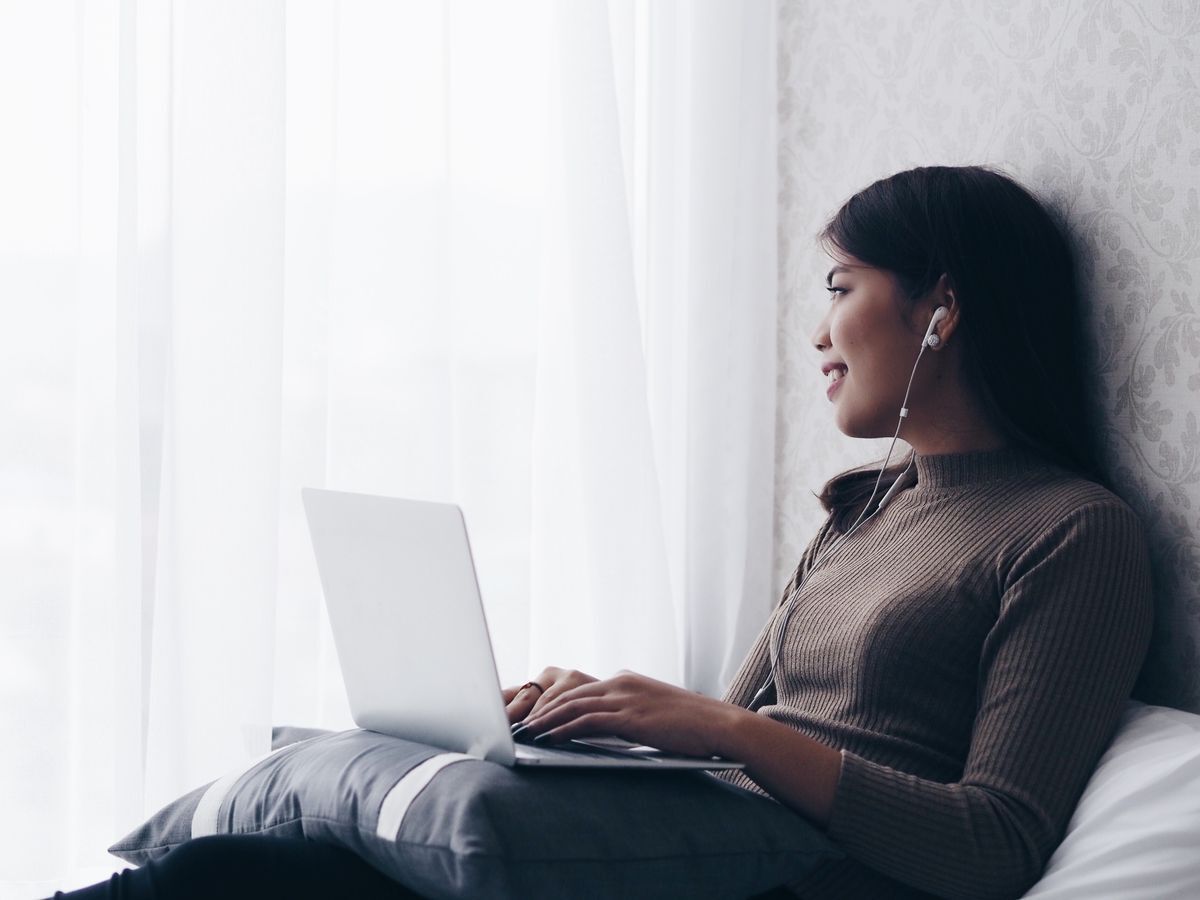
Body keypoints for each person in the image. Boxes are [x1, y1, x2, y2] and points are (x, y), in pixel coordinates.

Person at [47, 165, 1152, 900]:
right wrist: (609, 724)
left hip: (807, 880)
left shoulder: (1070, 535)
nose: (816, 333)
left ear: (941, 309)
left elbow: (994, 844)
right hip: (719, 848)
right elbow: (738, 735)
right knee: (253, 869)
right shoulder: (866, 507)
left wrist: (720, 732)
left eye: (840, 286)